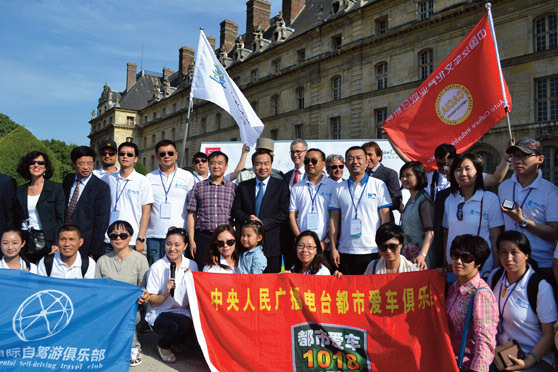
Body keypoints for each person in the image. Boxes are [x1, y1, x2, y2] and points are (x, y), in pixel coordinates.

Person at [487, 230, 557, 371]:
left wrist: (527, 363)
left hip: (534, 357)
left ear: (526, 255)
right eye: (503, 252)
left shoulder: (540, 286)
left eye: (514, 252)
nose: (509, 258)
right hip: (501, 353)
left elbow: (549, 335)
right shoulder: (495, 276)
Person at [498, 139, 558, 281]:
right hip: (510, 265)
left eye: (524, 156)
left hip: (541, 265)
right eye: (515, 156)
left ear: (540, 159)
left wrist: (523, 221)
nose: (518, 161)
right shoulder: (504, 187)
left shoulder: (551, 192)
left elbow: (555, 232)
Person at [328, 146, 392, 275]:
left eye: (359, 158)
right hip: (345, 250)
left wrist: (383, 246)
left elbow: (385, 218)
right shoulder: (338, 188)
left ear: (366, 162)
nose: (355, 162)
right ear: (346, 164)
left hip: (372, 249)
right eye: (350, 159)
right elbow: (334, 219)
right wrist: (334, 248)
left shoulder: (378, 185)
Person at [96, 220, 149, 367]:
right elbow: (97, 290)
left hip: (133, 307)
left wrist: (143, 297)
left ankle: (133, 347)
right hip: (108, 306)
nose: (118, 239)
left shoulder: (140, 260)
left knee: (125, 315)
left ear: (130, 237)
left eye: (123, 235)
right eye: (114, 236)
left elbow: (144, 288)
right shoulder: (102, 260)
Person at [142, 227, 198, 363]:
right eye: (168, 244)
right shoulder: (157, 267)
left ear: (185, 246)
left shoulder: (192, 265)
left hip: (182, 311)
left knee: (189, 332)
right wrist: (167, 293)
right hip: (160, 312)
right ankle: (163, 345)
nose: (172, 248)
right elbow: (153, 302)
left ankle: (176, 340)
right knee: (173, 326)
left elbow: (194, 295)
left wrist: (194, 315)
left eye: (177, 245)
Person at [443, 153, 504, 275]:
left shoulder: (490, 199)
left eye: (467, 169)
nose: (463, 174)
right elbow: (447, 232)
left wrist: (497, 268)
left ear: (478, 172)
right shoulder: (450, 200)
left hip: (481, 269)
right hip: (454, 267)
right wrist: (446, 261)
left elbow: (495, 236)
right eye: (458, 170)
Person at [446, 234, 498, 372]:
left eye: (466, 258)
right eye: (455, 255)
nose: (458, 261)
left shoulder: (481, 294)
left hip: (468, 366)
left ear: (479, 262)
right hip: (451, 362)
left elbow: (485, 340)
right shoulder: (453, 288)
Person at [232, 149, 289, 273]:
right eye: (258, 164)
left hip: (272, 245)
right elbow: (236, 210)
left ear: (271, 165)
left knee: (270, 285)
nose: (263, 167)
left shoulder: (281, 186)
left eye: (266, 163)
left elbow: (283, 213)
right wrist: (250, 220)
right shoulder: (244, 186)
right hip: (247, 247)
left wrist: (262, 222)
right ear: (253, 166)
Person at [146, 140, 194, 265]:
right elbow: (145, 209)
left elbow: (192, 209)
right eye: (162, 154)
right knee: (155, 273)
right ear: (157, 157)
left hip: (179, 236)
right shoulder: (149, 178)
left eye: (170, 153)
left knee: (177, 275)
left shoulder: (187, 176)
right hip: (154, 235)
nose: (166, 156)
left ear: (176, 155)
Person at [187, 151, 236, 268]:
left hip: (226, 241)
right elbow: (191, 214)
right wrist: (192, 240)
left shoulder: (233, 188)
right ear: (209, 165)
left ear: (226, 166)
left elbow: (237, 215)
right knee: (203, 271)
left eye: (220, 163)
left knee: (226, 272)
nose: (216, 166)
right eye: (213, 163)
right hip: (204, 238)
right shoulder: (198, 187)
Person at [289, 148, 338, 267]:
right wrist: (302, 241)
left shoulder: (334, 186)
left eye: (314, 161)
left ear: (323, 164)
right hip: (303, 250)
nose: (310, 164)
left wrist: (325, 242)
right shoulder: (297, 187)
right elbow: (292, 216)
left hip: (325, 247)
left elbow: (335, 217)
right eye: (307, 161)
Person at [103, 142, 153, 253]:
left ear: (135, 159)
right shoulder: (109, 179)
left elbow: (146, 212)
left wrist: (140, 238)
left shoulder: (142, 181)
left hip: (131, 240)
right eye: (122, 154)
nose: (125, 156)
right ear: (118, 156)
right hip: (109, 238)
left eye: (129, 155)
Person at [15, 151, 65, 263]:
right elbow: (16, 218)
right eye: (32, 162)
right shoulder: (20, 191)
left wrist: (56, 242)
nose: (36, 165)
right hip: (24, 239)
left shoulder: (55, 189)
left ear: (46, 167)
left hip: (46, 239)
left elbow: (60, 218)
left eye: (40, 162)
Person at [62, 146, 111, 260]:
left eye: (89, 163)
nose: (86, 167)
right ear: (74, 163)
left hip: (86, 242)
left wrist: (94, 250)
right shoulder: (68, 180)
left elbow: (101, 221)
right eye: (81, 163)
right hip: (65, 239)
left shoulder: (101, 187)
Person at [399, 161, 434, 270]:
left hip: (421, 260)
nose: (404, 179)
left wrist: (422, 255)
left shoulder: (424, 201)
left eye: (408, 175)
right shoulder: (411, 199)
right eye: (402, 176)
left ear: (419, 176)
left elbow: (430, 232)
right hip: (409, 256)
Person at [363, 141, 402, 212]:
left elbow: (396, 199)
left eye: (370, 154)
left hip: (383, 218)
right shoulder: (360, 175)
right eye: (364, 155)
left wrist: (374, 205)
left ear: (379, 156)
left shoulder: (390, 173)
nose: (367, 158)